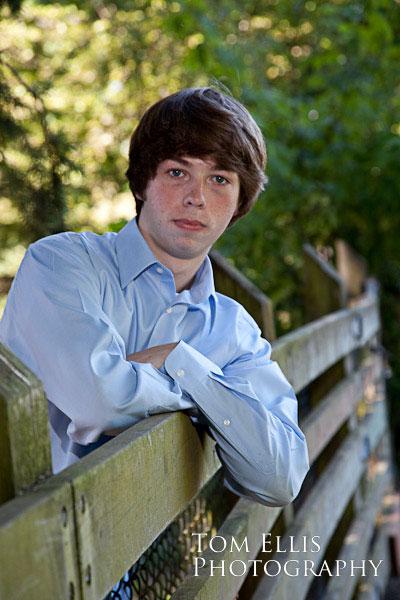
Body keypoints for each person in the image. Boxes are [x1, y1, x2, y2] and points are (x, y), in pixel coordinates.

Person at [0, 87, 309, 507]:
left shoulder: (233, 331)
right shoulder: (62, 265)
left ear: (239, 203)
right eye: (177, 172)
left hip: (138, 564)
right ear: (144, 180)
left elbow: (280, 477)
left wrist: (180, 362)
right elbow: (99, 403)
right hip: (32, 553)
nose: (196, 197)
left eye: (219, 179)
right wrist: (214, 400)